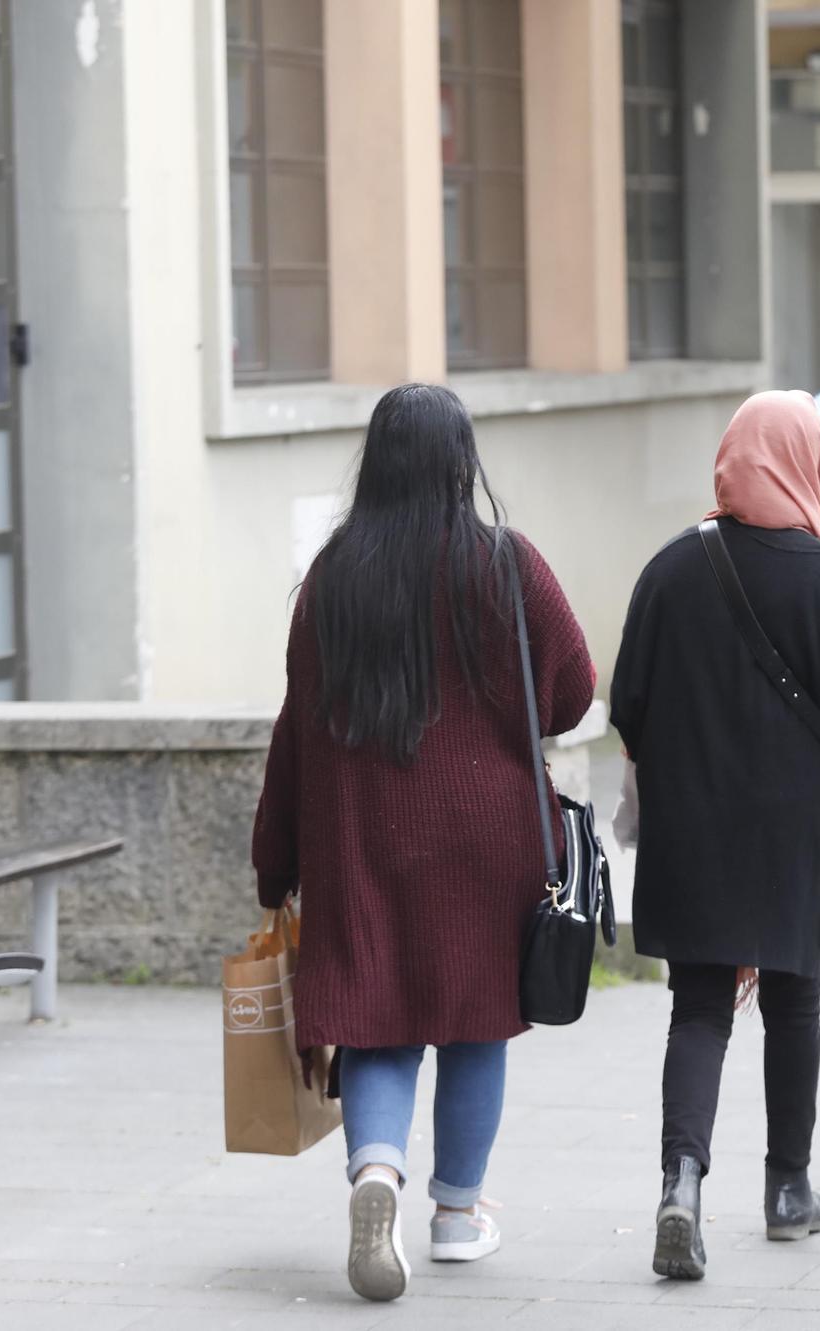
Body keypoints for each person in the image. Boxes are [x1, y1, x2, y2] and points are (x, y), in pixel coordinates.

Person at [250, 384, 595, 1302]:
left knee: (378, 1021)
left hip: (363, 834)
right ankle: (456, 1216)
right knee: (478, 1022)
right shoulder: (506, 563)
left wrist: (275, 860)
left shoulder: (332, 578)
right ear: (461, 463)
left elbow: (299, 727)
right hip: (489, 837)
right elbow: (569, 691)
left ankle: (375, 1174)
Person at [609, 389, 820, 1281]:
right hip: (795, 831)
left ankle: (680, 1185)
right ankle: (788, 1189)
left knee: (697, 1006)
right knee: (796, 999)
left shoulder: (669, 571)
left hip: (693, 826)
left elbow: (628, 702)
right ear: (806, 462)